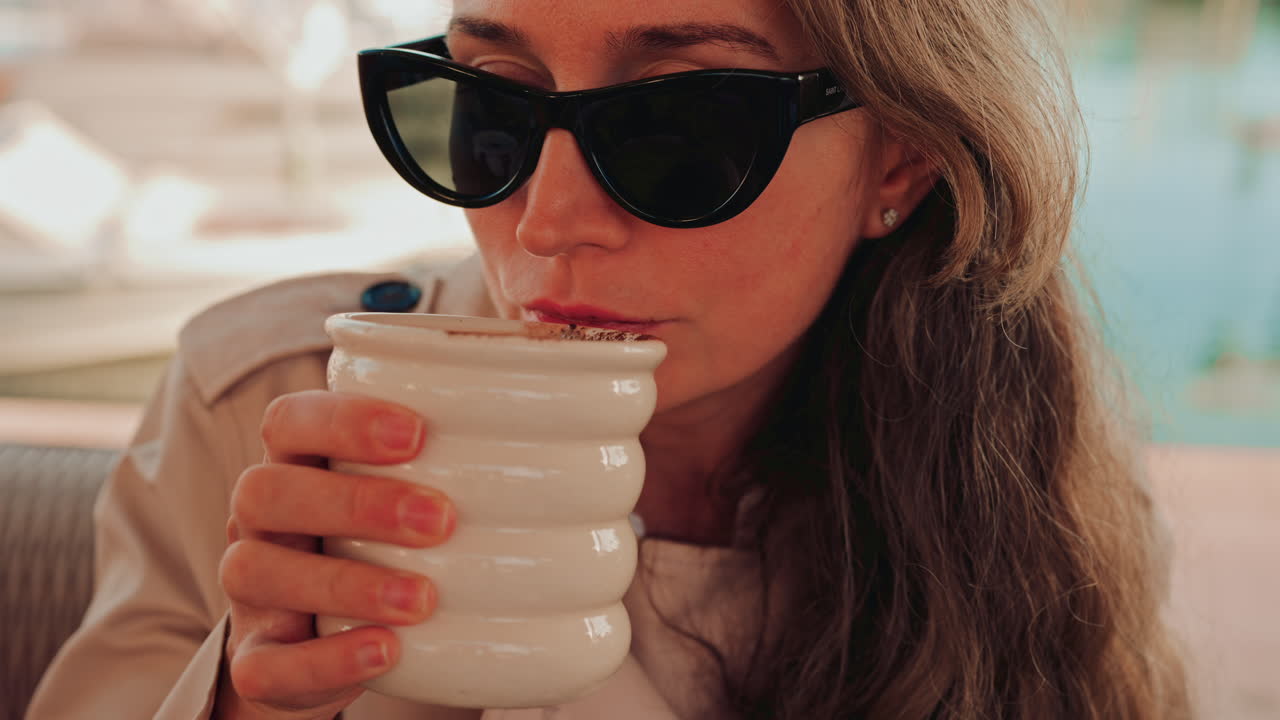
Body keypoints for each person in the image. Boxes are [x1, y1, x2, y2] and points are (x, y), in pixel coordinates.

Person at [27, 0, 1192, 718]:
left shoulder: (1012, 486)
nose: (545, 221)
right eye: (491, 109)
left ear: (898, 161)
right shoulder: (265, 412)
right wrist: (249, 702)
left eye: (677, 128)